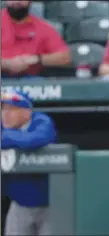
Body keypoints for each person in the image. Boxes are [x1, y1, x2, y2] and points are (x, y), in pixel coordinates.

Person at [1, 90, 57, 236]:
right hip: (20, 204)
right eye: (3, 109)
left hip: (50, 205)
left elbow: (36, 139)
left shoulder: (41, 121)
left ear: (26, 112)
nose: (5, 114)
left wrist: (7, 137)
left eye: (11, 109)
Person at [1, 0, 71, 79]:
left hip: (29, 78)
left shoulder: (42, 27)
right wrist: (6, 64)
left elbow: (65, 58)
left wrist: (37, 59)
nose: (17, 2)